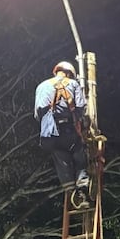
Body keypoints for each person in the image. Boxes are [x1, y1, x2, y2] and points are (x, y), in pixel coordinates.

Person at [34, 60, 92, 209]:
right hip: (68, 130)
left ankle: (71, 191)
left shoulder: (41, 86)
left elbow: (37, 114)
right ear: (70, 74)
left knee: (61, 160)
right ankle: (82, 191)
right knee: (80, 157)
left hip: (49, 134)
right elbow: (80, 108)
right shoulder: (73, 84)